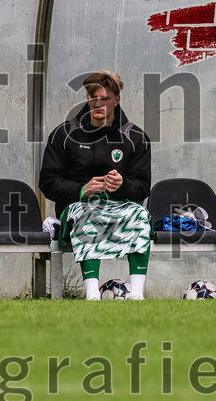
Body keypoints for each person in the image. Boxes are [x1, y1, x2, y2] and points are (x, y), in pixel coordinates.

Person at [40, 71, 152, 301]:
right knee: (88, 212)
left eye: (105, 98)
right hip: (76, 206)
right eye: (93, 98)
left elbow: (142, 186)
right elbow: (48, 181)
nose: (98, 103)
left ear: (117, 100)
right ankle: (92, 293)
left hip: (120, 207)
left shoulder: (135, 137)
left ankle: (137, 293)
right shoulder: (64, 134)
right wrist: (81, 190)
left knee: (140, 214)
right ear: (87, 97)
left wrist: (121, 186)